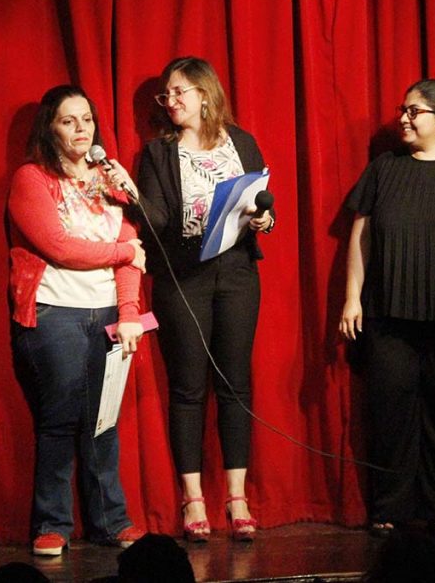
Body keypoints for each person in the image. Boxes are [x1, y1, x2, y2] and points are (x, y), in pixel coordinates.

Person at [339, 79, 435, 539]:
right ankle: (390, 505)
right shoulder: (385, 168)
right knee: (390, 412)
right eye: (402, 110)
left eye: (415, 111)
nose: (404, 119)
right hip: (389, 314)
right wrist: (352, 296)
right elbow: (361, 237)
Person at [135, 57, 274, 542]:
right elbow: (156, 222)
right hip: (185, 275)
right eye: (166, 95)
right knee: (188, 387)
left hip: (237, 272)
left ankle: (237, 497)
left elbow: (262, 201)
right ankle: (193, 499)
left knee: (236, 382)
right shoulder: (157, 154)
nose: (170, 101)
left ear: (205, 94)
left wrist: (265, 219)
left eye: (179, 92)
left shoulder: (242, 142)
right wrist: (131, 198)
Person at [8, 84, 147, 556]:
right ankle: (52, 524)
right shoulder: (32, 178)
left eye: (86, 119)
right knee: (60, 419)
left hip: (108, 313)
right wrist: (124, 251)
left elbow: (133, 252)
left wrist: (129, 312)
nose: (81, 128)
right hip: (56, 313)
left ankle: (111, 520)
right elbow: (60, 246)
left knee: (103, 422)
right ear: (50, 128)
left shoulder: (109, 178)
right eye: (69, 121)